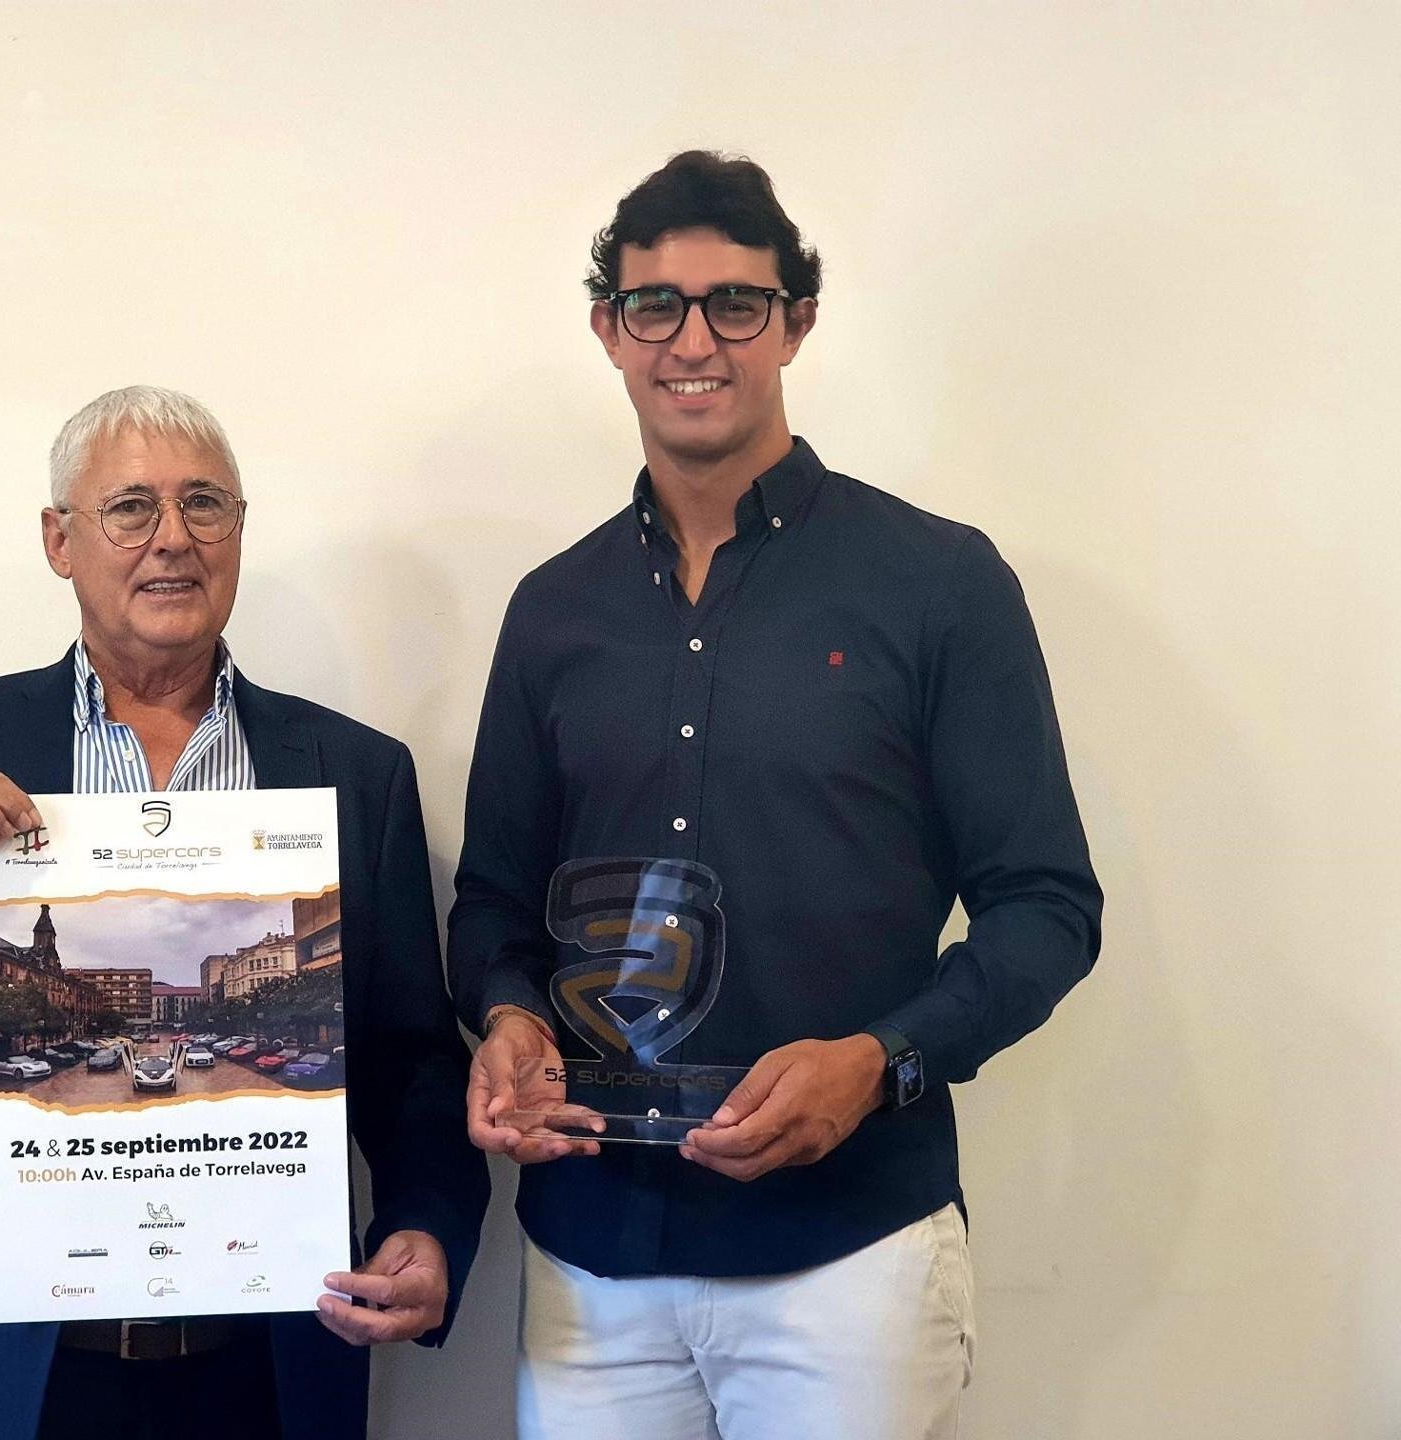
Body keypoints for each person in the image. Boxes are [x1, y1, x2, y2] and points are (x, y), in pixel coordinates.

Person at [449, 151, 1103, 1439]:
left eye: (736, 304)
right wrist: (508, 1017)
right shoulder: (551, 611)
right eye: (657, 306)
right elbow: (491, 905)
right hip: (590, 1263)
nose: (694, 342)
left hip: (848, 1260)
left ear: (795, 323)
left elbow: (1046, 908)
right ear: (610, 331)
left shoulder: (939, 584)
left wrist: (879, 1062)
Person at [0, 385, 489, 1440]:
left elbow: (411, 1058)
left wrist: (427, 1222)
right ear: (60, 540)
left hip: (267, 1367)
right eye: (131, 508)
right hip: (10, 1377)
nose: (173, 538)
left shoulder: (355, 773)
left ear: (239, 530)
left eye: (205, 504)